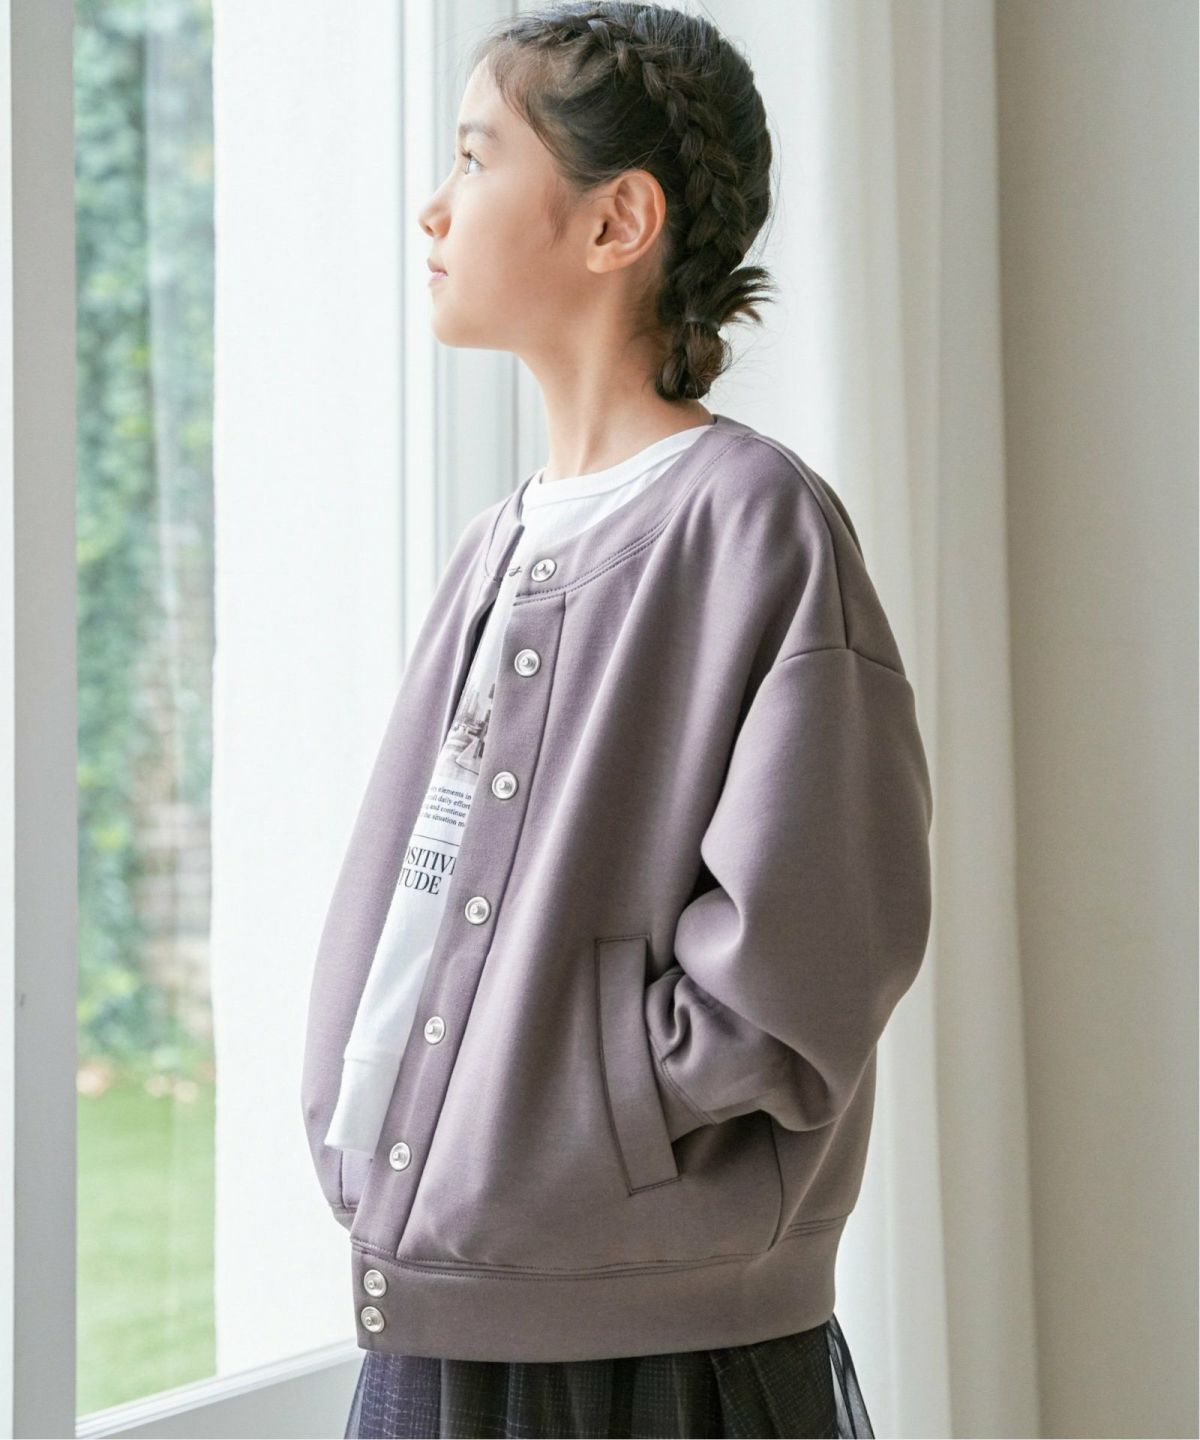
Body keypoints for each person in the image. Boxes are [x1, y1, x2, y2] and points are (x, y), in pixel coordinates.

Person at [300, 4, 933, 1436]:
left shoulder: (755, 525)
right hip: (439, 1294)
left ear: (615, 222)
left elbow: (819, 941)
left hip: (652, 1342)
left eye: (476, 158)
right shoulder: (498, 544)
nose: (434, 206)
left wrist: (601, 1117)